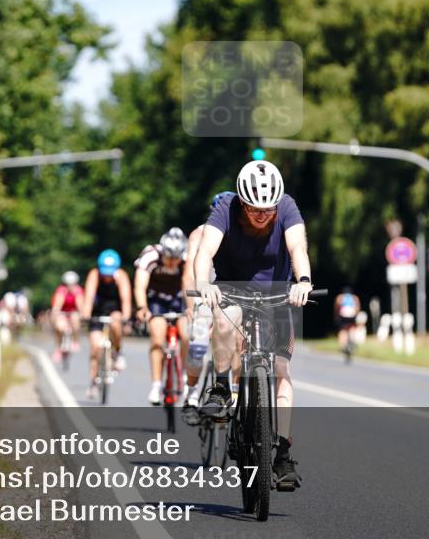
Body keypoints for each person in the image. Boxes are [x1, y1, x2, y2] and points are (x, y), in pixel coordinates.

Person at [192, 160, 314, 490]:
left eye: (268, 208)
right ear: (242, 202)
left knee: (280, 371)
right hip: (233, 289)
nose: (262, 214)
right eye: (254, 208)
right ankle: (220, 388)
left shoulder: (288, 207)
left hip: (277, 295)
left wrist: (303, 280)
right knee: (223, 319)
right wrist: (204, 282)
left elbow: (297, 247)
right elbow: (205, 250)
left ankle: (283, 456)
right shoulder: (224, 209)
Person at [182, 191, 236, 417]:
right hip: (203, 294)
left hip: (231, 294)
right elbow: (188, 274)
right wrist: (191, 304)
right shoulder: (200, 233)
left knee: (239, 344)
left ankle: (235, 392)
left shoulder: (240, 232)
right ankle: (192, 392)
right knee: (198, 345)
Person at [134, 228, 189, 405]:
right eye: (169, 258)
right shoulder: (150, 256)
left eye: (176, 258)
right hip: (156, 299)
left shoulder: (187, 259)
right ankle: (157, 385)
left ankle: (187, 379)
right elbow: (140, 285)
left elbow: (191, 284)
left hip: (179, 298)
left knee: (187, 333)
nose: (172, 263)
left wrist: (193, 309)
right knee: (157, 336)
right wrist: (142, 307)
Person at [81, 249, 132, 399]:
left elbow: (126, 299)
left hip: (114, 309)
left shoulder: (121, 276)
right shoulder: (94, 274)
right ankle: (93, 383)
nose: (107, 276)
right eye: (105, 272)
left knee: (116, 321)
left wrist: (126, 316)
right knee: (95, 348)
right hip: (97, 312)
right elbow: (89, 297)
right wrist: (86, 314)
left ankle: (118, 351)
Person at [51, 271, 84, 362]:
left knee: (75, 318)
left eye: (72, 284)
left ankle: (75, 341)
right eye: (68, 284)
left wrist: (81, 313)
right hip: (63, 313)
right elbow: (57, 304)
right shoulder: (61, 290)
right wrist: (56, 312)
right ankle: (59, 347)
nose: (70, 286)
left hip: (74, 312)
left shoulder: (78, 290)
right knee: (59, 326)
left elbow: (80, 305)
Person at [334, 287, 361, 354]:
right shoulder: (354, 297)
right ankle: (352, 342)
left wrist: (336, 315)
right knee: (352, 328)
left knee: (343, 330)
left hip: (343, 315)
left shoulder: (340, 297)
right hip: (352, 315)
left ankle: (342, 346)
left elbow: (336, 307)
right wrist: (355, 315)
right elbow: (357, 307)